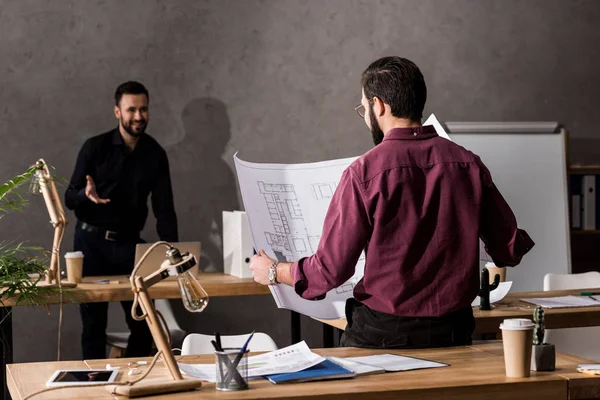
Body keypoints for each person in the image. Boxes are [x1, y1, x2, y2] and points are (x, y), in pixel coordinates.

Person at [249, 56, 534, 349]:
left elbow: (329, 271)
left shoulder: (363, 173)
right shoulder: (468, 164)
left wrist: (273, 271)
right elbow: (509, 250)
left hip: (383, 335)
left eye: (364, 108)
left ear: (379, 105)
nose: (366, 116)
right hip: (454, 333)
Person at [65, 81, 178, 359]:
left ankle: (132, 381)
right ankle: (95, 387)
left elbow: (164, 210)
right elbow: (69, 198)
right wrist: (84, 194)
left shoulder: (155, 153)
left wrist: (172, 253)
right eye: (131, 110)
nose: (138, 116)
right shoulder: (95, 147)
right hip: (90, 243)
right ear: (118, 112)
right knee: (93, 326)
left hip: (130, 246)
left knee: (142, 323)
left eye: (143, 109)